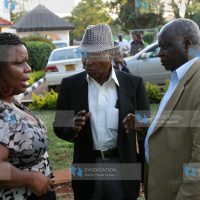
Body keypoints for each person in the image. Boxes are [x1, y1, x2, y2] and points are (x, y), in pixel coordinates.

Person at [54, 24, 149, 200]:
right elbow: (59, 127)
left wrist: (140, 123)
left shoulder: (133, 84)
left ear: (111, 54)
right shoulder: (70, 85)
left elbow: (145, 126)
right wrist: (72, 127)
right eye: (84, 54)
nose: (88, 61)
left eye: (95, 54)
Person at [123, 18, 200, 200]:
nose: (160, 54)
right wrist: (145, 123)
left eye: (165, 47)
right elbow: (182, 118)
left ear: (188, 45)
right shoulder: (179, 76)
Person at [0, 33, 56, 200]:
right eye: (18, 63)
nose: (28, 68)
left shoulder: (12, 103)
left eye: (26, 61)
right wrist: (30, 178)